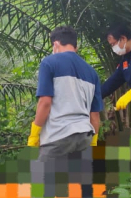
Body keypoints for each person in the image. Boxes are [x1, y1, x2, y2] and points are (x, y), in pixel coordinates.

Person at [27, 26, 103, 160]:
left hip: (57, 137)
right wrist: (93, 143)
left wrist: (34, 134)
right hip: (84, 138)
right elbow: (95, 115)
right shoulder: (92, 73)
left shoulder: (49, 62)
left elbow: (45, 102)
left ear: (55, 44)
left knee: (42, 179)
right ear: (75, 46)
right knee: (75, 180)